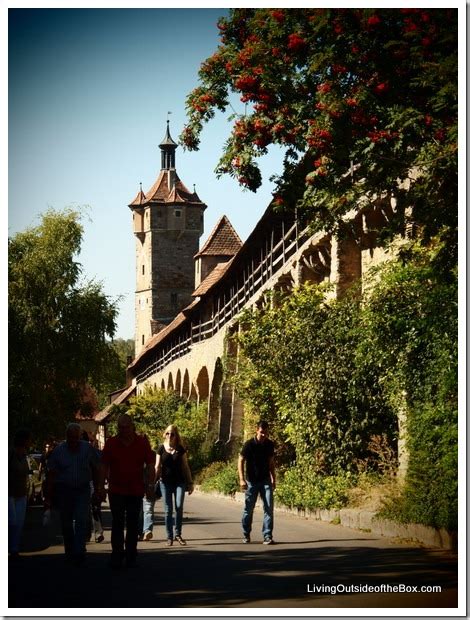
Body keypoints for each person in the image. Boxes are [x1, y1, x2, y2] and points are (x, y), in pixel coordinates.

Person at [98, 413, 155, 568]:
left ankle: (130, 552)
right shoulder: (111, 443)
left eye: (126, 427)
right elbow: (103, 465)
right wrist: (101, 487)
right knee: (117, 522)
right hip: (116, 490)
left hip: (135, 490)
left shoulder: (142, 443)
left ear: (132, 426)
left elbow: (150, 464)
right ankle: (117, 554)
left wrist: (150, 486)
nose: (123, 430)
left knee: (132, 523)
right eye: (120, 428)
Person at [44, 423, 101, 565]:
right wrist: (48, 497)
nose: (73, 441)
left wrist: (98, 488)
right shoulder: (59, 451)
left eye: (76, 438)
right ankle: (70, 551)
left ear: (80, 437)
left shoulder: (87, 449)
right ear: (66, 437)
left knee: (81, 520)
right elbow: (51, 475)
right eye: (70, 438)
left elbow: (96, 468)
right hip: (64, 490)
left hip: (82, 489)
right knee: (66, 522)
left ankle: (79, 550)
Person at [238, 420, 276, 545]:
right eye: (261, 432)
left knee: (269, 508)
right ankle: (246, 533)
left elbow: (271, 462)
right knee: (249, 509)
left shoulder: (270, 444)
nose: (264, 435)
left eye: (266, 432)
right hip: (252, 481)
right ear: (257, 430)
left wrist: (273, 478)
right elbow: (241, 460)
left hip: (265, 480)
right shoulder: (249, 444)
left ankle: (267, 535)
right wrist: (242, 479)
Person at [155, 425, 194, 546]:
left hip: (179, 482)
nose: (169, 436)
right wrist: (152, 483)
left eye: (172, 434)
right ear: (164, 434)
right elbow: (157, 466)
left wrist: (190, 482)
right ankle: (169, 536)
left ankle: (178, 534)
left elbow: (185, 466)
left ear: (176, 435)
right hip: (165, 483)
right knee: (168, 510)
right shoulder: (160, 448)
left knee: (178, 507)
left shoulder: (180, 449)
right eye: (167, 433)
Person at [8, 429, 32, 559]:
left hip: (21, 493)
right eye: (29, 439)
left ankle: (14, 549)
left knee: (19, 523)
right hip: (9, 493)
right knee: (11, 521)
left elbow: (27, 474)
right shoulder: (10, 453)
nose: (30, 442)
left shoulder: (24, 455)